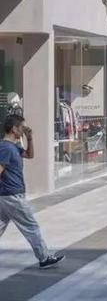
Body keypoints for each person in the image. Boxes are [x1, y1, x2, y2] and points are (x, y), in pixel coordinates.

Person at [0, 114, 64, 268]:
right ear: (14, 129)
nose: (24, 129)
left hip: (7, 195)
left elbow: (30, 155)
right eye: (22, 127)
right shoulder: (6, 148)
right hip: (12, 195)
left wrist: (29, 138)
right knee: (31, 227)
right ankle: (44, 258)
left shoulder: (14, 146)